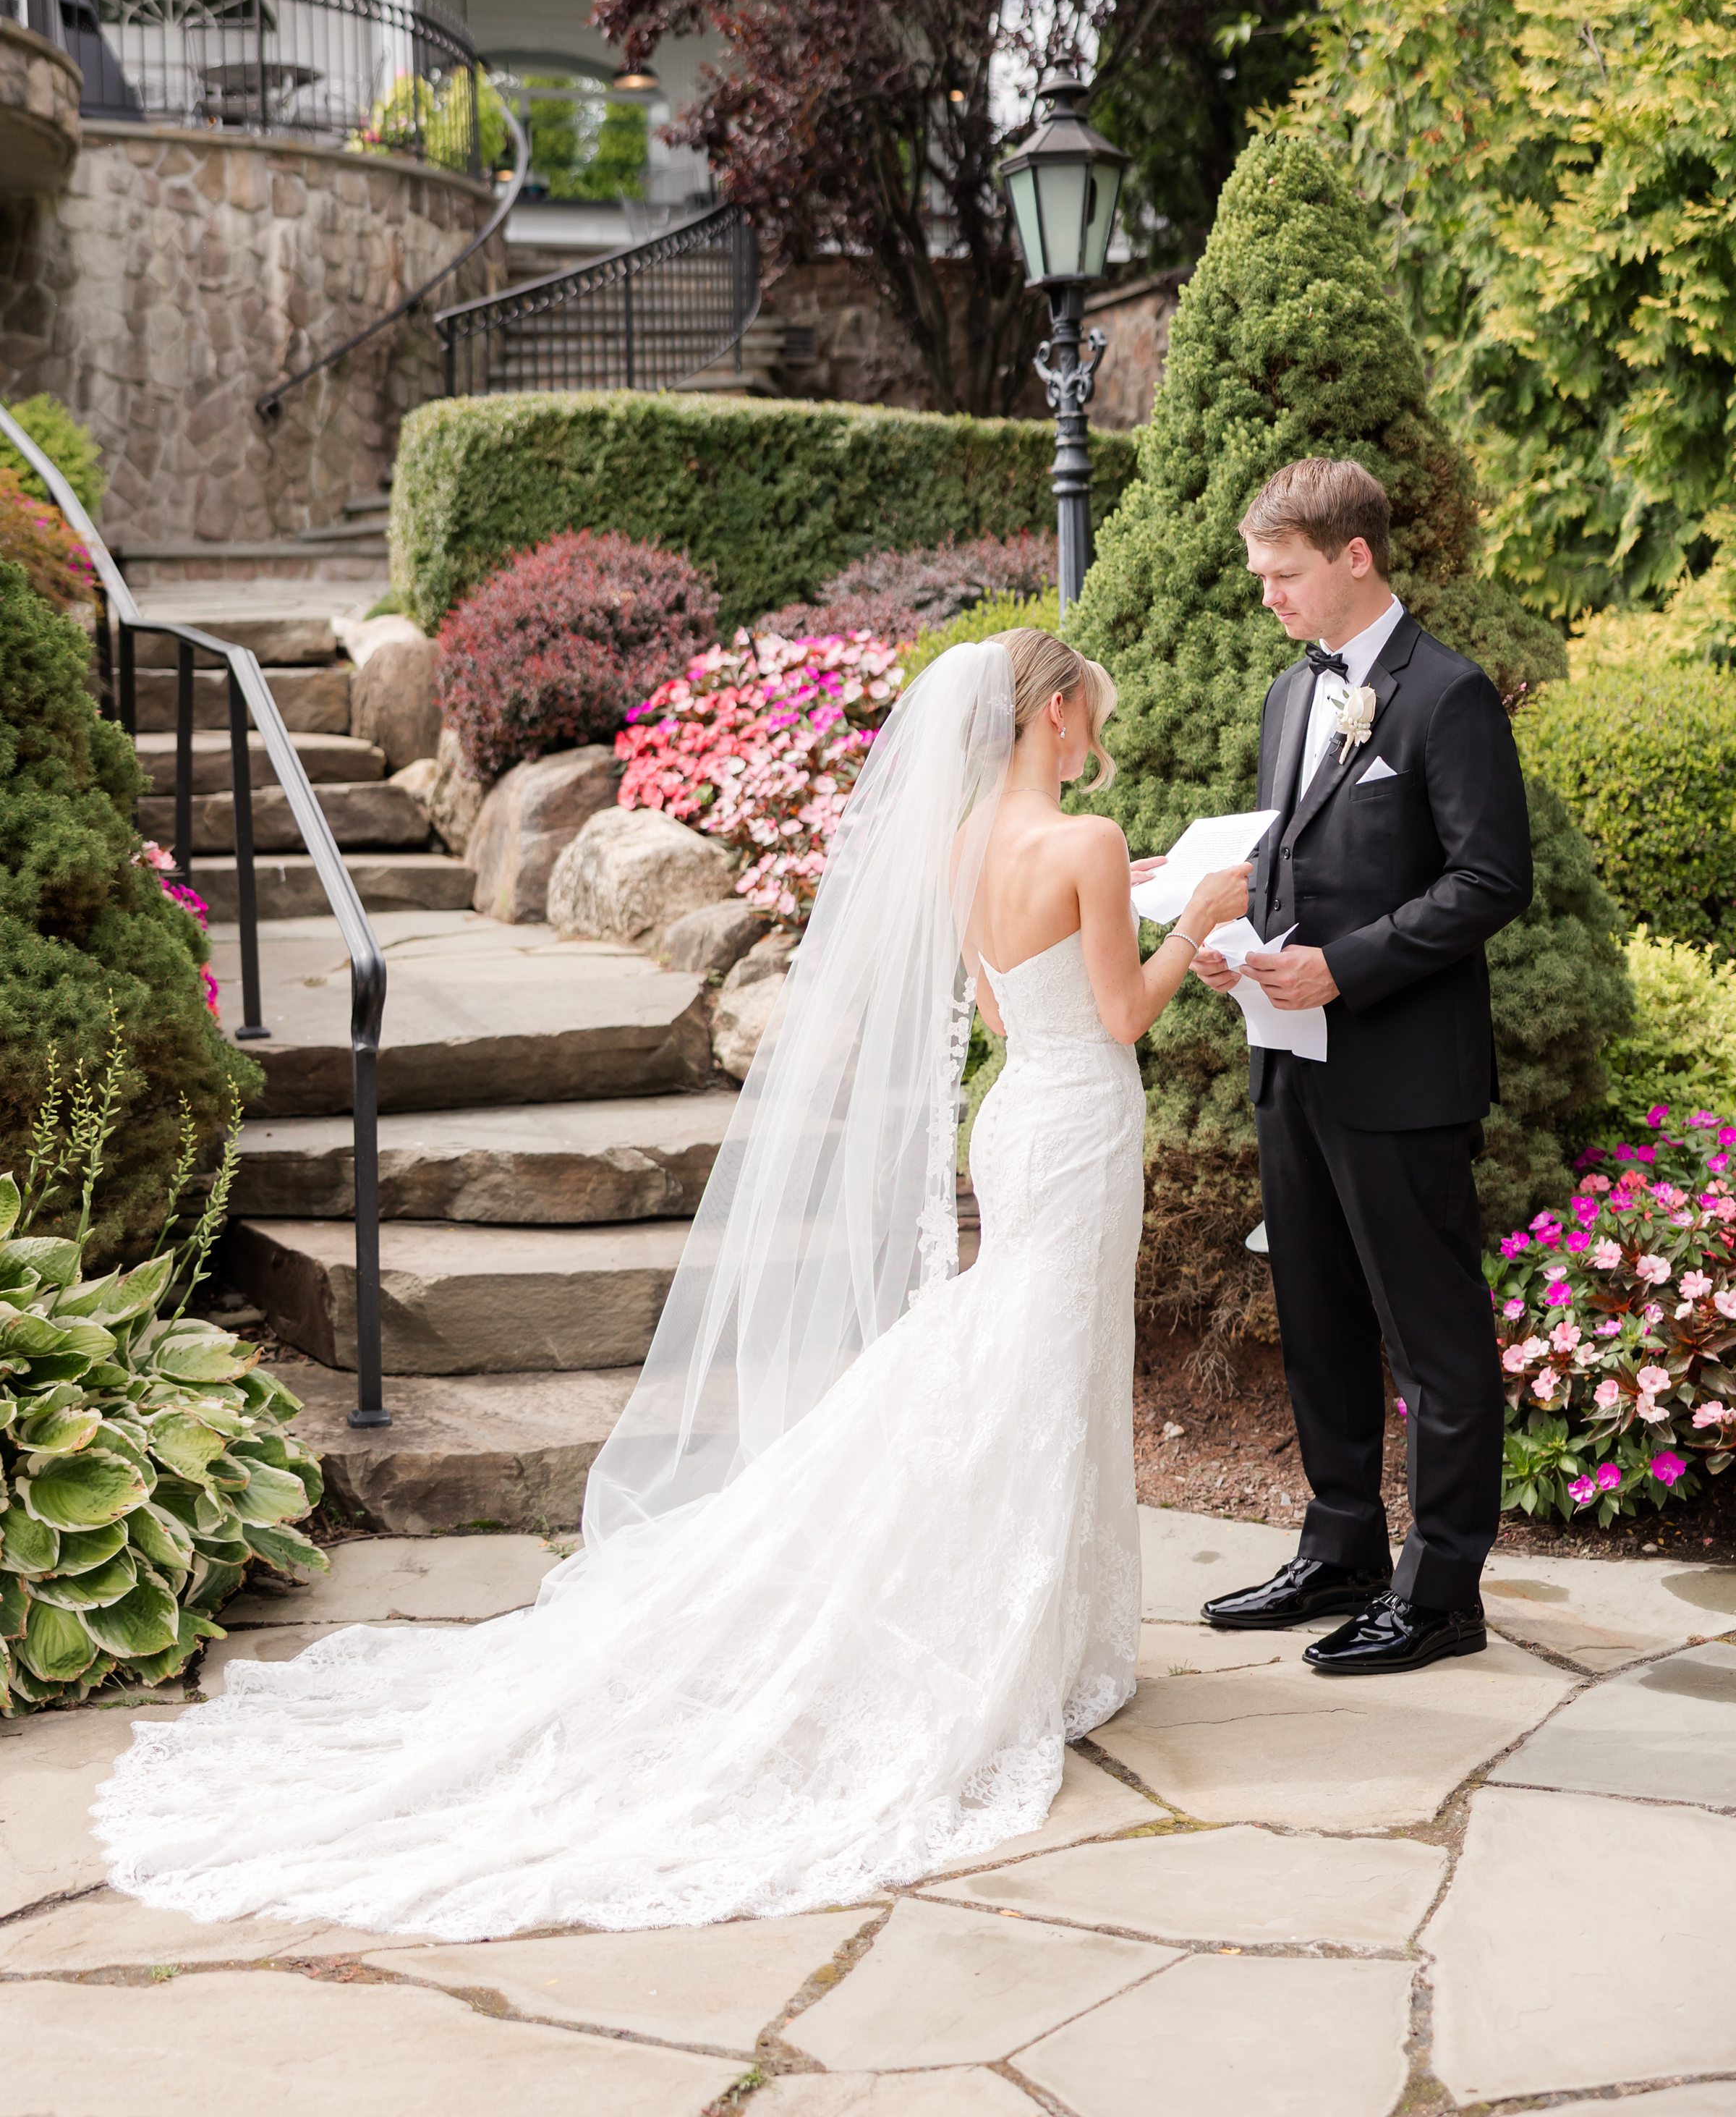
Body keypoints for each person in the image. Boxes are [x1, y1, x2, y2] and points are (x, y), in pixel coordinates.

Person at [95, 628, 1248, 1941]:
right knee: (1044, 1362)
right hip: (1084, 1120)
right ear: (1050, 715)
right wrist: (1196, 918)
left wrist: (1135, 901)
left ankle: (1032, 1621)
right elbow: (1119, 1019)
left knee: (1013, 1353)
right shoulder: (1087, 845)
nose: (1094, 735)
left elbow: (1005, 1016)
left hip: (1018, 1117)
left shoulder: (966, 837)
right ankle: (1024, 1633)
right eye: (1087, 713)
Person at [1193, 457, 1532, 1673]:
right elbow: (1291, 853)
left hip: (1402, 1071)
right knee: (1319, 1317)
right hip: (1292, 1064)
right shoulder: (1296, 693)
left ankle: (1441, 1591)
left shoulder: (1448, 696)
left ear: (1354, 558)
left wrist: (1346, 966)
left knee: (1432, 1337)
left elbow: (1491, 881)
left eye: (1283, 576)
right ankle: (1339, 1549)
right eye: (1261, 576)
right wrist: (1226, 942)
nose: (1269, 598)